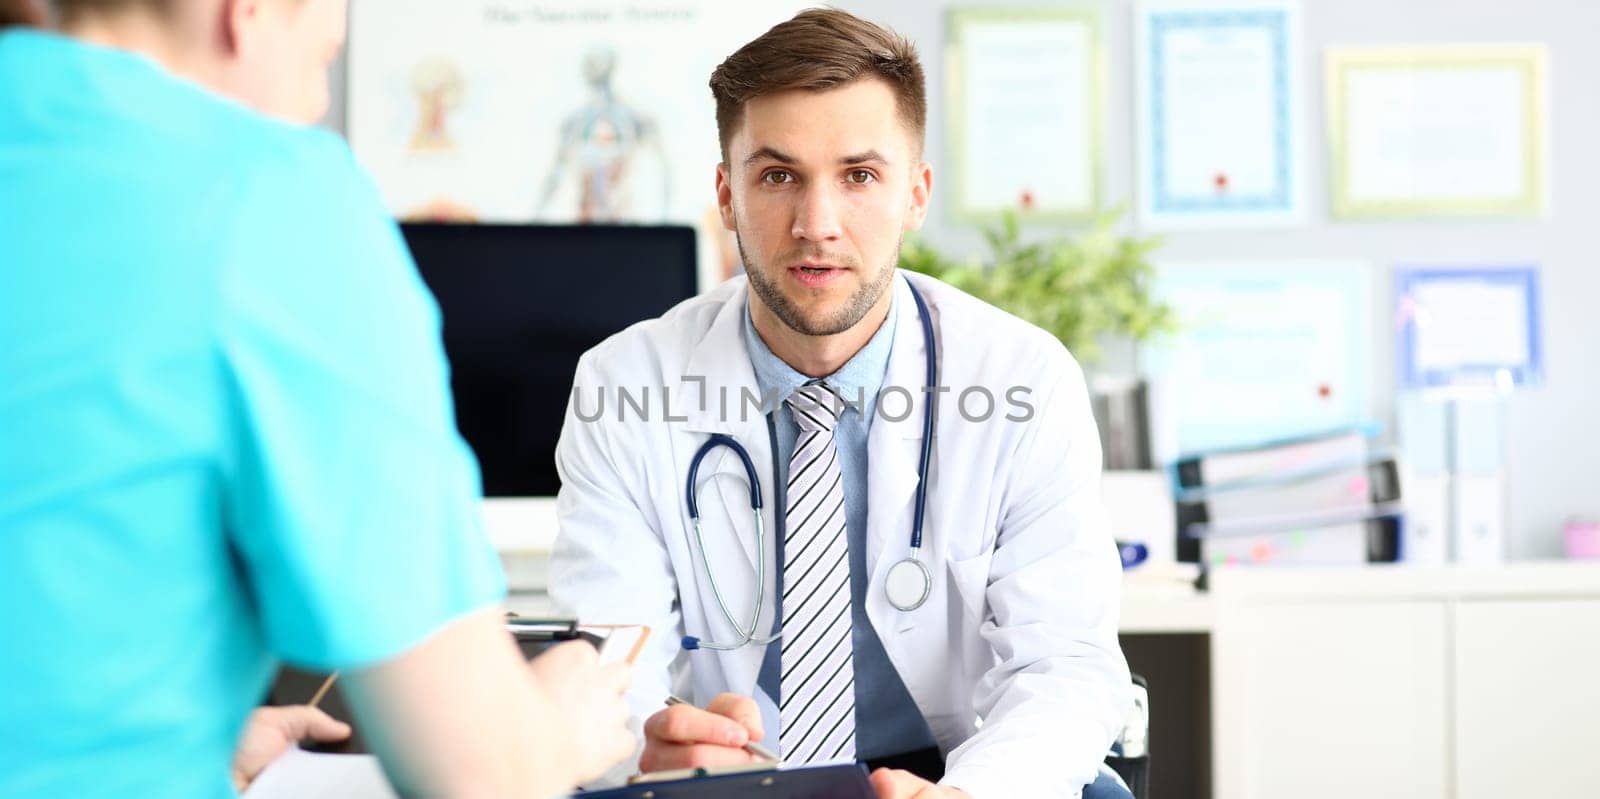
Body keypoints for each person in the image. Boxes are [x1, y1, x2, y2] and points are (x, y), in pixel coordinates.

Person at [0, 1, 632, 796]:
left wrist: (206, 738)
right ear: (247, 14)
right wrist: (559, 725)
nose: (310, 111)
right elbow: (482, 775)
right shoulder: (266, 193)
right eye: (319, 65)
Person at [550, 9, 1133, 799]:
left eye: (859, 175)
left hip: (956, 768)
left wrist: (967, 795)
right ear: (727, 195)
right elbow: (610, 662)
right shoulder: (623, 386)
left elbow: (1063, 662)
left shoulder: (1024, 380)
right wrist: (656, 740)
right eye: (778, 175)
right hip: (731, 775)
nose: (816, 225)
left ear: (915, 194)